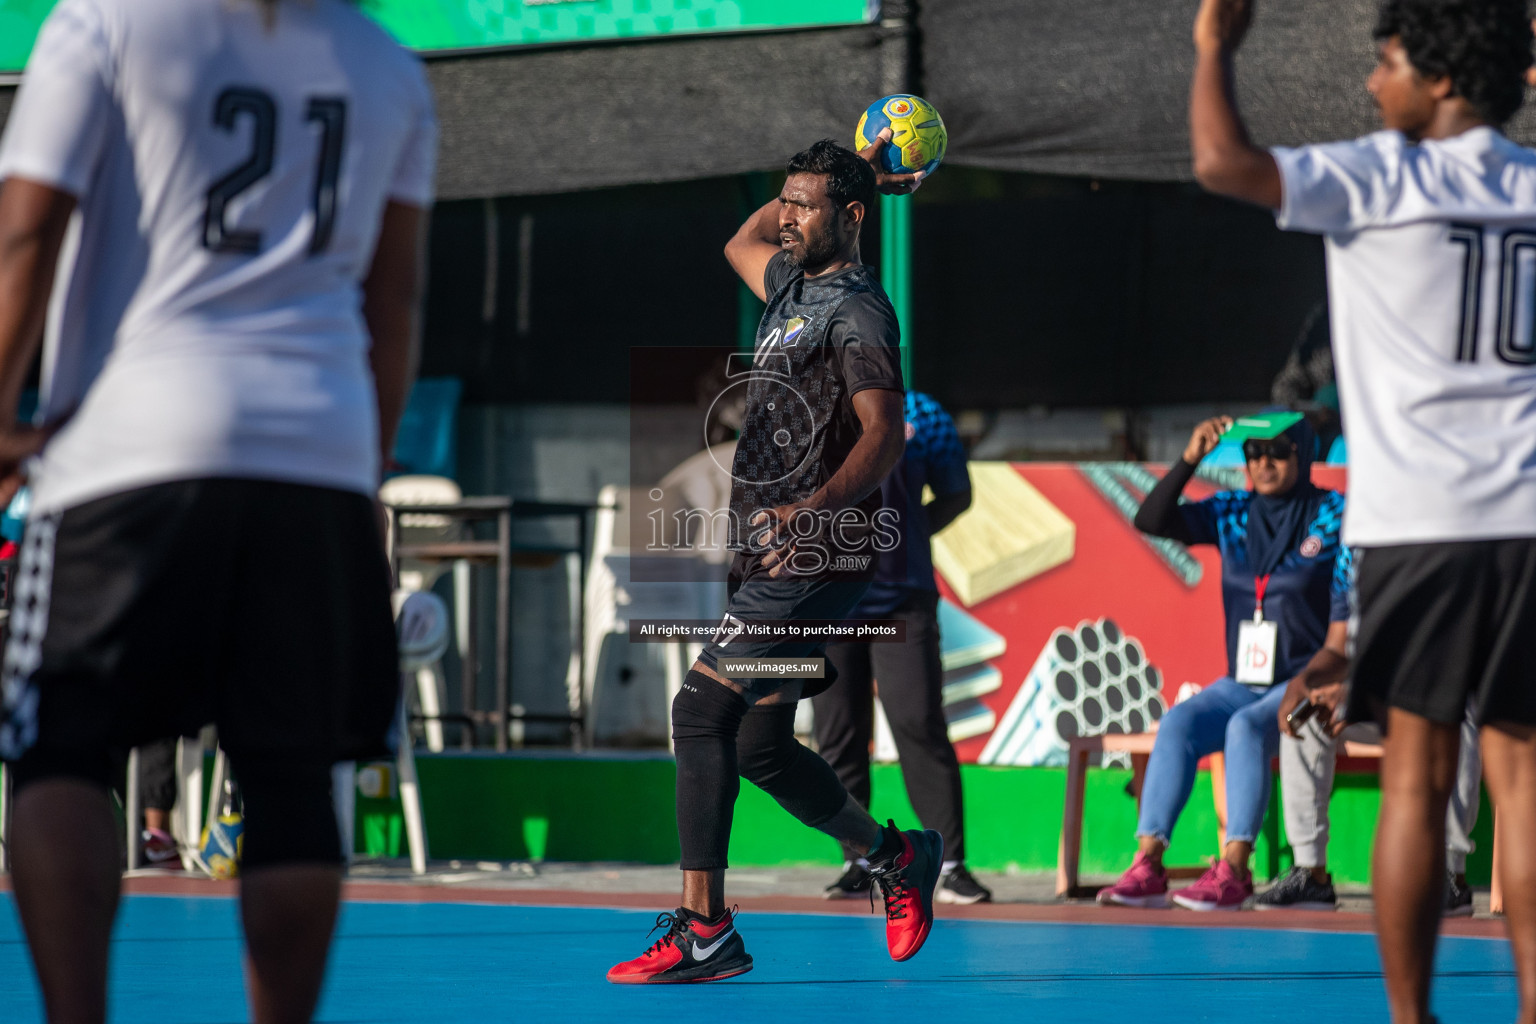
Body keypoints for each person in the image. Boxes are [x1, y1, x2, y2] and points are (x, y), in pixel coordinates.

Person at [0, 0, 436, 1020]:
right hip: (316, 456)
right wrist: (355, 462)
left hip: (129, 440)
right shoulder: (386, 65)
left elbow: (26, 234)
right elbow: (397, 298)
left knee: (62, 747)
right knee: (290, 780)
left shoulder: (106, 24)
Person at [1191, 0, 1536, 1018]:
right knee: (1521, 781)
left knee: (1417, 779)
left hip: (1422, 526)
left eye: (1384, 61)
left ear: (1437, 80)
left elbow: (1221, 160)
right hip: (1529, 521)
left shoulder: (1378, 175)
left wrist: (1216, 43)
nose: (1369, 82)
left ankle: (1410, 1015)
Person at [607, 138, 941, 984]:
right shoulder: (790, 282)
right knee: (757, 744)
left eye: (806, 204)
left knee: (697, 712)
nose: (787, 216)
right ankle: (896, 857)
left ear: (854, 218)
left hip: (814, 553)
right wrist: (844, 165)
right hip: (765, 551)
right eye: (784, 200)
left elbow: (885, 436)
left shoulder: (860, 312)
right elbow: (737, 241)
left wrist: (814, 509)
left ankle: (705, 929)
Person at [1096, 412, 1350, 911]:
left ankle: (1234, 867)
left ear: (1302, 453)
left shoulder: (1331, 511)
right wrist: (1192, 457)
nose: (1263, 463)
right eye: (1253, 453)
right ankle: (1148, 863)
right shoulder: (1234, 511)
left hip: (1304, 679)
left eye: (1277, 451)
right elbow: (1151, 519)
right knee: (1180, 722)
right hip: (1245, 679)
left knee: (1244, 727)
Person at [814, 390, 992, 905]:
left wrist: (909, 532)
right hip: (830, 600)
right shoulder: (811, 406)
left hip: (902, 602)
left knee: (918, 722)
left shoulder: (925, 415)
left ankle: (953, 863)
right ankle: (857, 858)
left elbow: (957, 493)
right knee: (839, 732)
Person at [1267, 630, 1483, 916]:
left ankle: (1450, 875)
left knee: (1458, 708)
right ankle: (1311, 874)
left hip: (1437, 688)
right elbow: (1337, 648)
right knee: (1307, 717)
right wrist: (1306, 680)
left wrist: (1359, 690)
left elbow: (1448, 656)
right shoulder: (1348, 583)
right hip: (1378, 695)